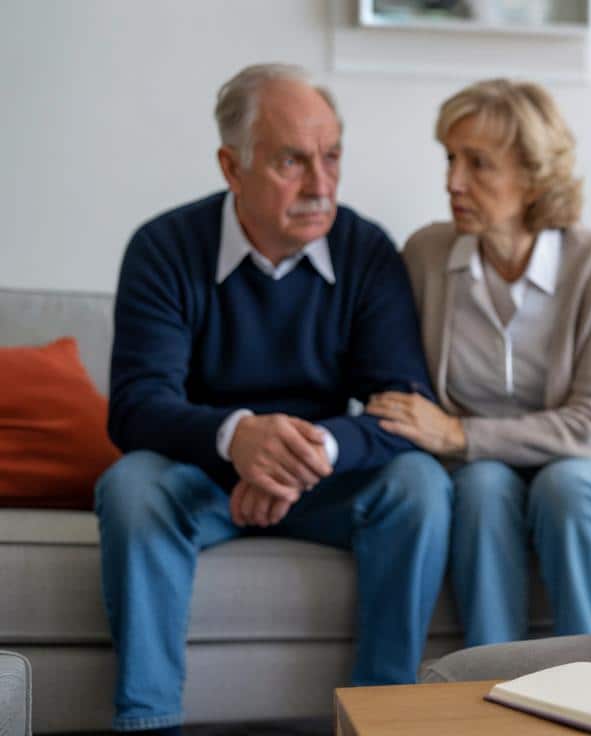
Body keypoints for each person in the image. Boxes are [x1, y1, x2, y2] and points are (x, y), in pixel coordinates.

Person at [95, 63, 451, 734]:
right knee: (130, 485)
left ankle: (380, 721)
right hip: (201, 476)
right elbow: (137, 405)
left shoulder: (366, 250)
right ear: (233, 166)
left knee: (420, 485)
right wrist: (239, 438)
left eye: (332, 157)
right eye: (293, 161)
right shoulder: (164, 248)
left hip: (323, 479)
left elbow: (403, 407)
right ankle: (148, 721)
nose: (321, 185)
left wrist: (305, 452)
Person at [365, 79, 591, 647]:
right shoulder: (426, 255)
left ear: (533, 177)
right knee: (479, 487)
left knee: (567, 489)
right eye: (451, 159)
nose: (453, 182)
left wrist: (457, 433)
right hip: (482, 466)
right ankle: (495, 689)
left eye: (478, 164)